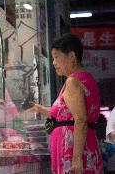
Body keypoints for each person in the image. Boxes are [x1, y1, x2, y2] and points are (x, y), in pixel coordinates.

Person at [28, 33, 103, 174]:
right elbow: (66, 115)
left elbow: (80, 119)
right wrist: (39, 108)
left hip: (73, 150)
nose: (53, 62)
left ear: (72, 56)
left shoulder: (73, 81)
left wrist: (76, 158)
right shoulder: (86, 79)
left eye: (56, 57)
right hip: (81, 147)